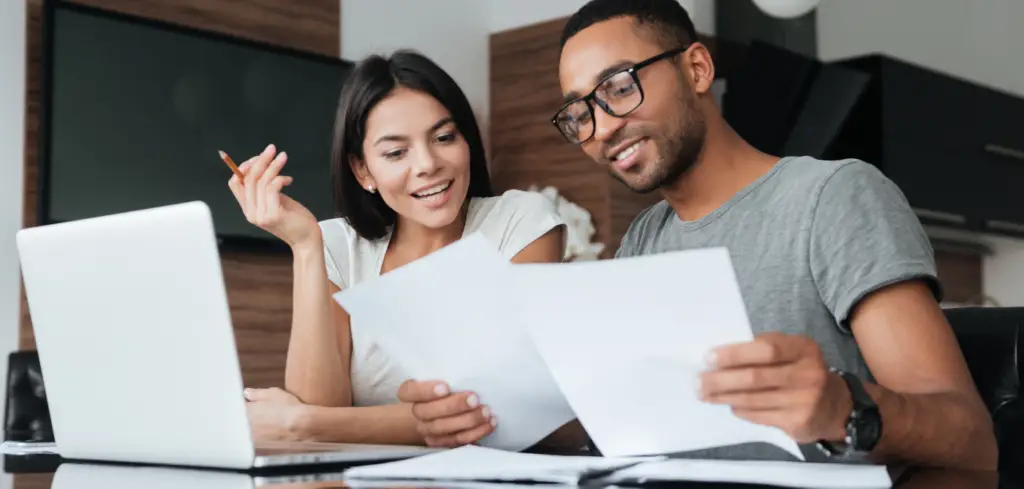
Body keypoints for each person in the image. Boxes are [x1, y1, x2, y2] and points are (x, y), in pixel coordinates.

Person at [397, 0, 998, 470]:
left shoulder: (832, 196)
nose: (603, 128)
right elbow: (624, 419)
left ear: (697, 67)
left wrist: (843, 407)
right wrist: (482, 417)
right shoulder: (643, 238)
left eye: (619, 87)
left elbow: (969, 439)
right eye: (580, 114)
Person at [226, 50, 571, 446]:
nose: (427, 164)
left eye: (444, 138)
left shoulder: (520, 222)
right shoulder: (339, 245)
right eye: (395, 153)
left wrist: (304, 423)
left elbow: (497, 410)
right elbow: (318, 405)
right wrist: (305, 247)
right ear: (362, 170)